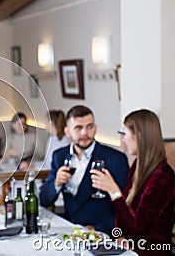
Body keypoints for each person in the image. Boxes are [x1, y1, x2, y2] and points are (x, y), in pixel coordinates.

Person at [91, 109, 174, 256]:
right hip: (132, 248)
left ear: (139, 136)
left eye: (125, 134)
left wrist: (114, 192)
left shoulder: (162, 177)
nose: (123, 140)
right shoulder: (137, 165)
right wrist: (119, 236)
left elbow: (137, 226)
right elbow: (125, 211)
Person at [39, 105, 129, 234]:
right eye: (78, 128)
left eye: (90, 127)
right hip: (69, 229)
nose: (85, 133)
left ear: (95, 129)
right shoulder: (59, 156)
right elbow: (44, 200)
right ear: (67, 132)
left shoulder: (115, 159)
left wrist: (97, 229)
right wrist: (56, 184)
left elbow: (124, 207)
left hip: (102, 233)